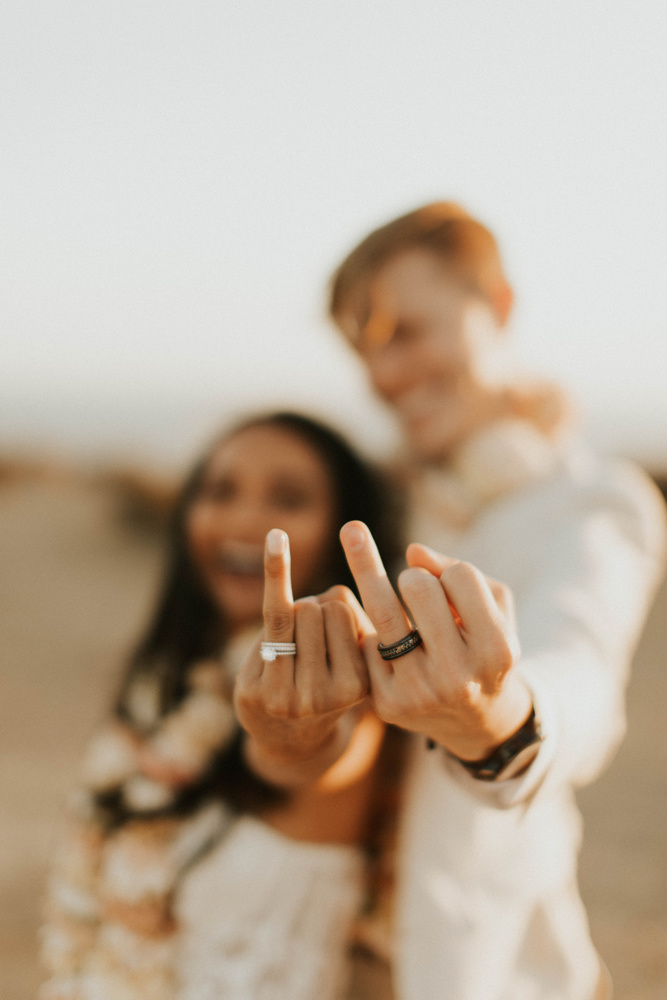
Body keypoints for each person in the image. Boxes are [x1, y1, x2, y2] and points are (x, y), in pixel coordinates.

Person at [235, 203, 667, 1000]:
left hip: (481, 966)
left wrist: (494, 720)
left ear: (496, 303)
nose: (384, 376)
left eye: (405, 332)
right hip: (311, 949)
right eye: (362, 350)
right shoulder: (369, 501)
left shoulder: (591, 503)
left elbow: (580, 678)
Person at [39, 411, 402, 1000]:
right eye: (218, 491)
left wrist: (291, 734)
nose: (244, 520)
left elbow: (310, 751)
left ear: (345, 529)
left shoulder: (352, 696)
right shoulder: (166, 694)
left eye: (288, 499)